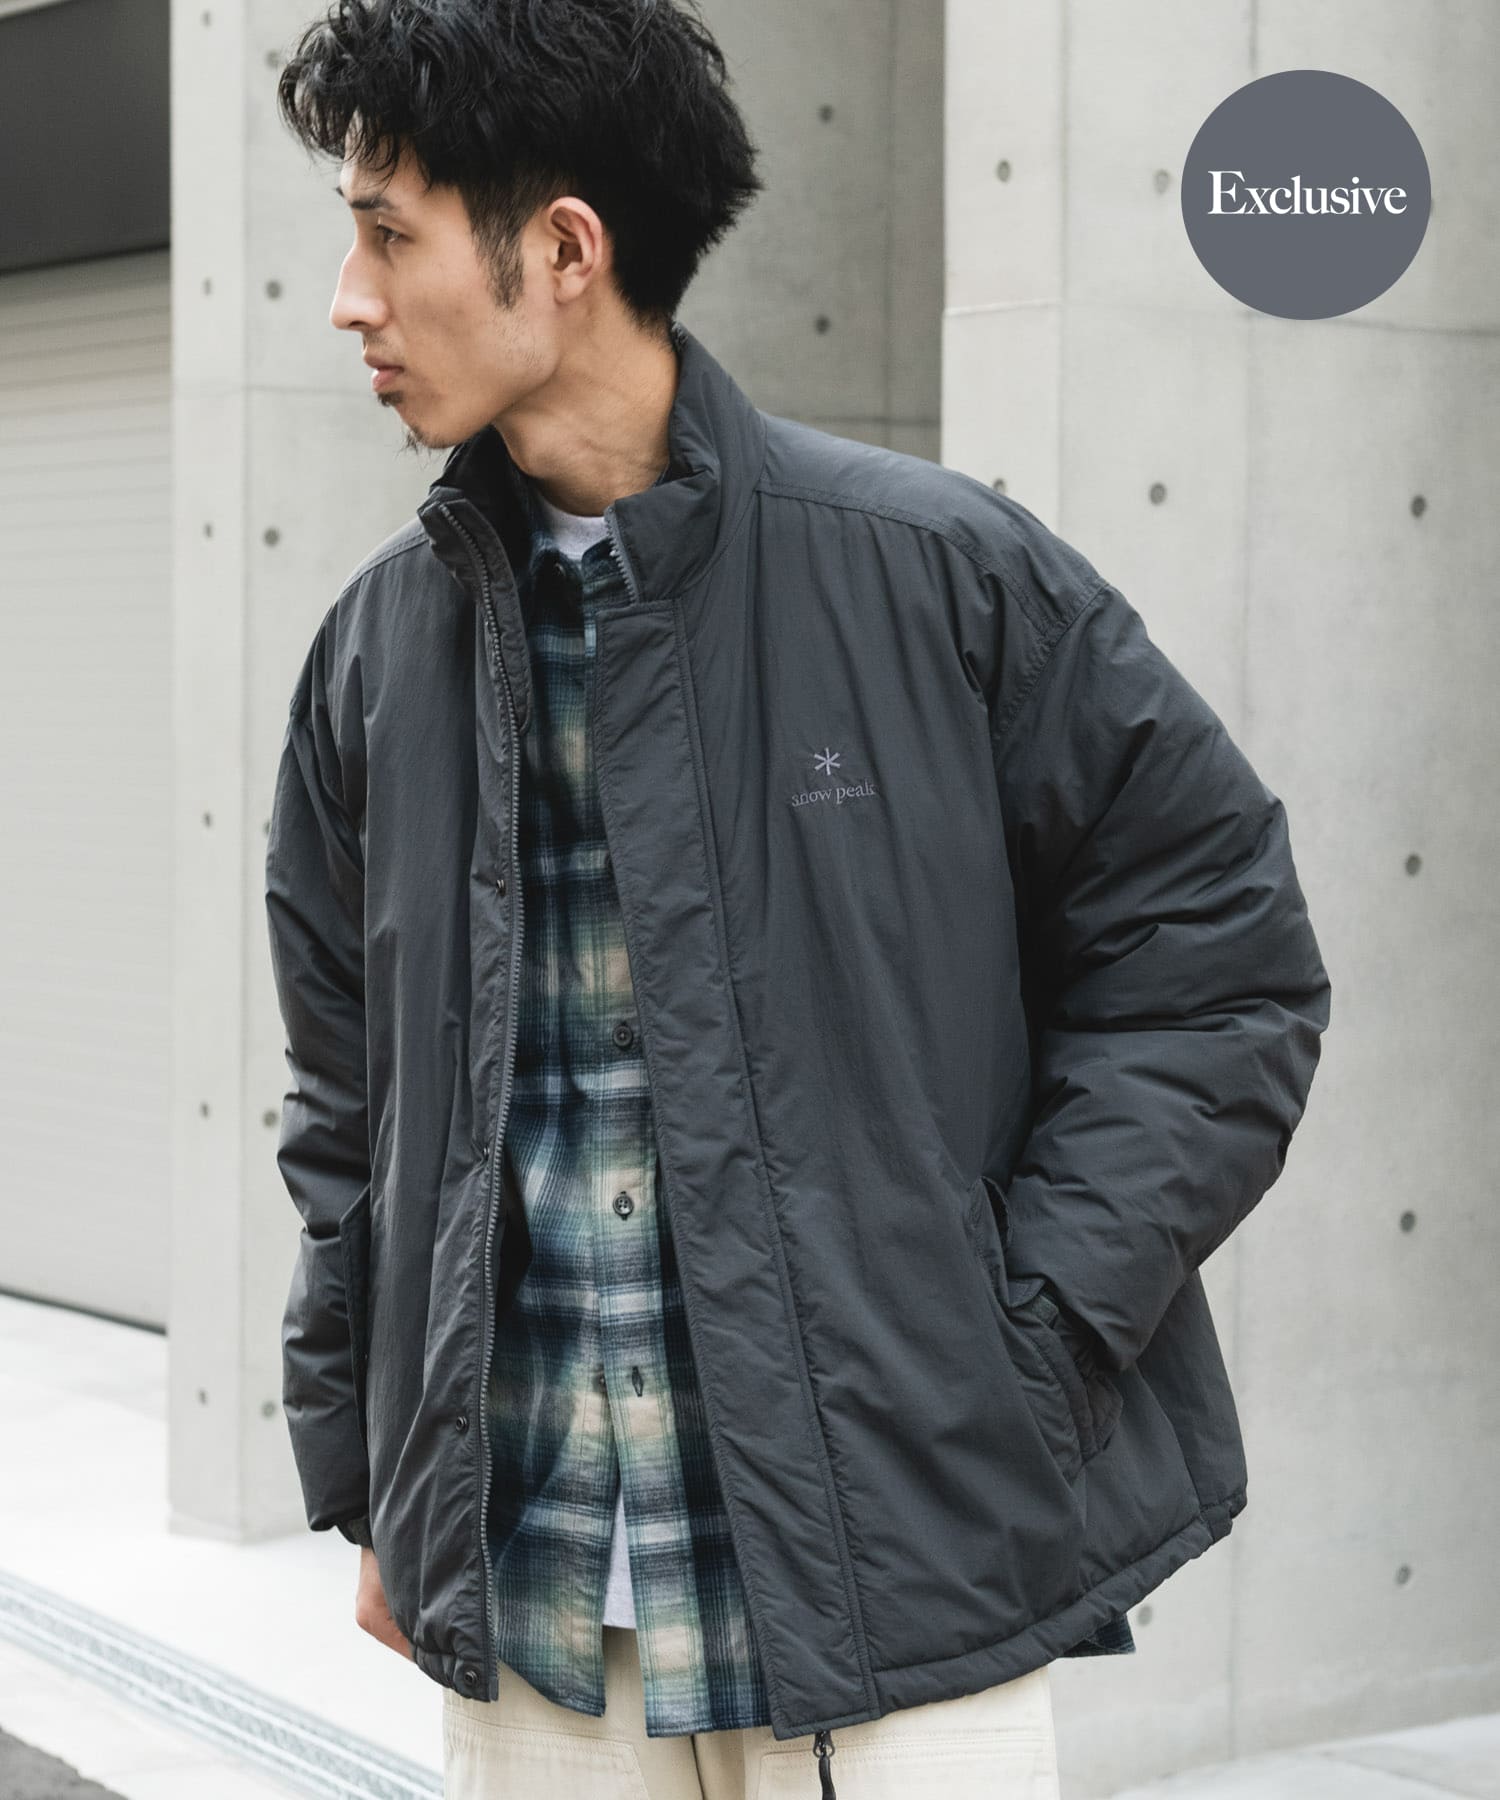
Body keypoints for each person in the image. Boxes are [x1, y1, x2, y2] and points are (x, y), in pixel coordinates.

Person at [263, 4, 1332, 1797]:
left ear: (567, 250)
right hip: (534, 1597)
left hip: (893, 1578)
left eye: (389, 234)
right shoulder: (378, 653)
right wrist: (379, 1469)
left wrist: (1031, 1342)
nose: (348, 300)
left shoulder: (939, 577)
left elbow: (1221, 967)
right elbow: (342, 1099)